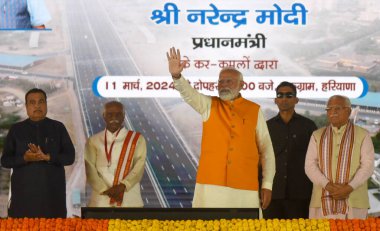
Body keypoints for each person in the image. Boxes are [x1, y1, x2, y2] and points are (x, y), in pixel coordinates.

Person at [166, 47, 275, 209]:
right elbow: (189, 94)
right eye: (220, 81)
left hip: (244, 186)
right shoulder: (209, 105)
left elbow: (266, 150)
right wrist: (176, 76)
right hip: (211, 185)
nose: (223, 85)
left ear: (241, 85)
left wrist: (267, 184)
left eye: (228, 81)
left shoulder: (254, 110)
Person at [0, 88, 75, 218]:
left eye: (41, 102)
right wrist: (24, 158)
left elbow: (70, 157)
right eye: (32, 102)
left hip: (52, 199)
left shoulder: (58, 127)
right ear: (26, 106)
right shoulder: (16, 130)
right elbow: (5, 161)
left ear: (46, 104)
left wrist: (48, 157)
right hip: (23, 200)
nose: (37, 105)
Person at [305, 95, 374, 219]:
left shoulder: (363, 135)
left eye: (337, 108)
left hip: (354, 201)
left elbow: (368, 166)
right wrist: (328, 185)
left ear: (348, 111)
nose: (332, 112)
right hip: (321, 200)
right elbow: (309, 165)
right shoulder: (317, 135)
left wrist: (349, 187)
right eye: (329, 109)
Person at [263, 81, 317, 219]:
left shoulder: (308, 126)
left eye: (289, 95)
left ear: (296, 99)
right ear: (275, 100)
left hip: (300, 195)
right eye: (280, 95)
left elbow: (317, 161)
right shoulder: (266, 127)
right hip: (272, 194)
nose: (284, 99)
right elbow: (261, 159)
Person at [85, 101, 147, 207]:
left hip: (129, 199)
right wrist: (105, 190)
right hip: (101, 200)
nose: (114, 117)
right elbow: (90, 169)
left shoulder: (137, 139)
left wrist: (123, 186)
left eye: (118, 114)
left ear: (123, 116)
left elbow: (139, 166)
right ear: (104, 116)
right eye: (110, 114)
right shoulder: (93, 140)